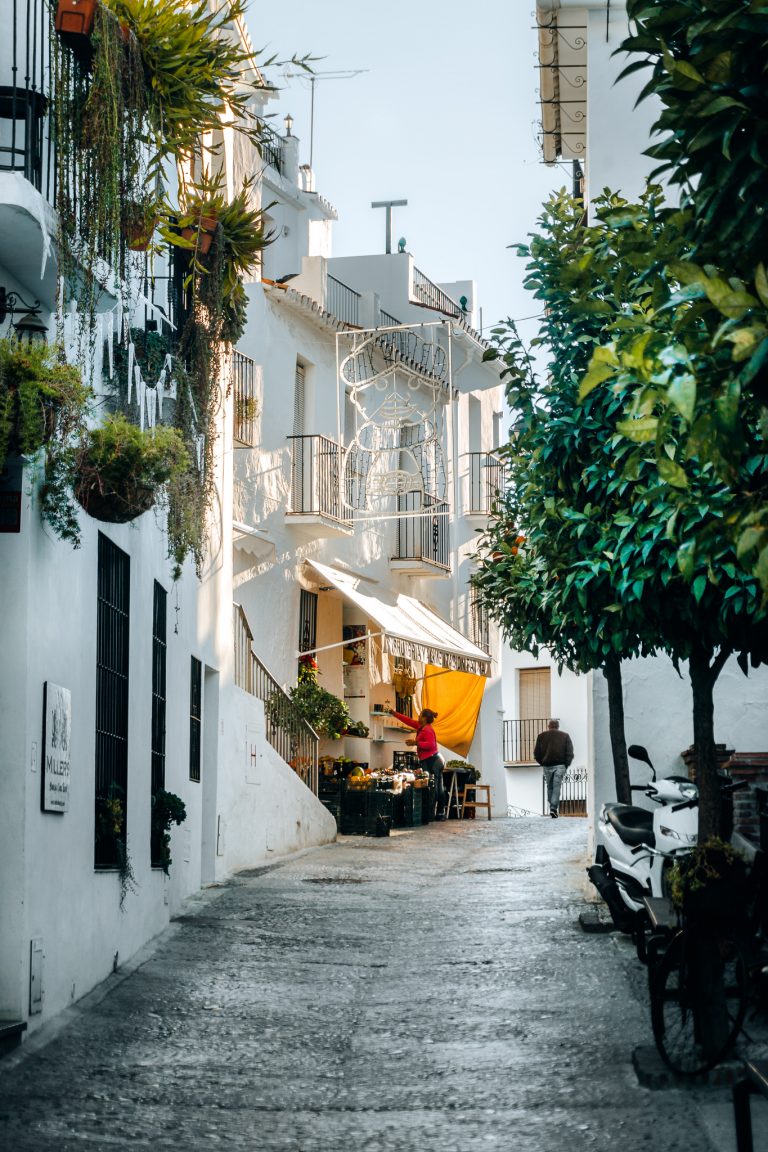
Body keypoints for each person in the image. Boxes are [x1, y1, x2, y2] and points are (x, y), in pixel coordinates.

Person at [387, 706, 446, 819]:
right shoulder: (421, 726)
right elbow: (408, 721)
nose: (418, 716)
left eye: (420, 715)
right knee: (436, 786)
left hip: (433, 760)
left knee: (436, 787)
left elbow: (431, 745)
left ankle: (439, 813)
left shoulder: (427, 729)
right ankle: (437, 813)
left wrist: (416, 743)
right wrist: (395, 714)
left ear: (424, 718)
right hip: (431, 760)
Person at [534, 719, 574, 818]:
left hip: (547, 766)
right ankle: (553, 808)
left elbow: (536, 753)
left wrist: (542, 762)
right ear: (558, 726)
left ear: (549, 726)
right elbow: (570, 753)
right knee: (556, 787)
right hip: (560, 765)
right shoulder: (565, 736)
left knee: (550, 787)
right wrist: (566, 765)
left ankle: (552, 807)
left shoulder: (541, 736)